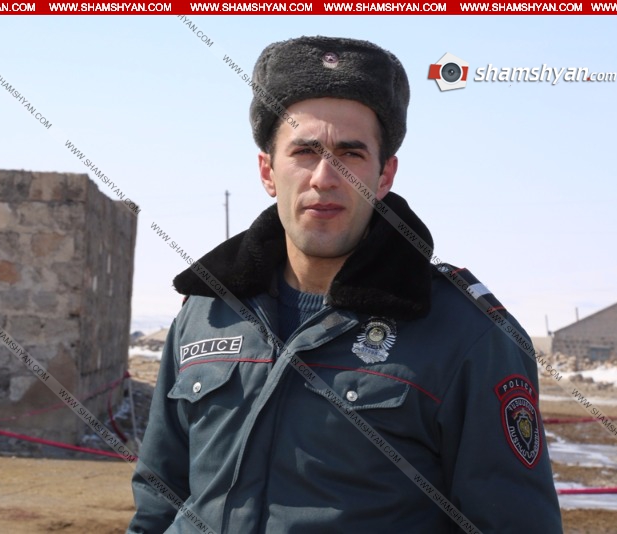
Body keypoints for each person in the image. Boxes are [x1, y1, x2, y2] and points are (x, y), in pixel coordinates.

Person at [127, 36, 562, 533]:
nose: (324, 177)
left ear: (384, 175)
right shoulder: (206, 311)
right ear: (268, 171)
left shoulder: (470, 337)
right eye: (304, 151)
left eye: (350, 154)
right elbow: (158, 498)